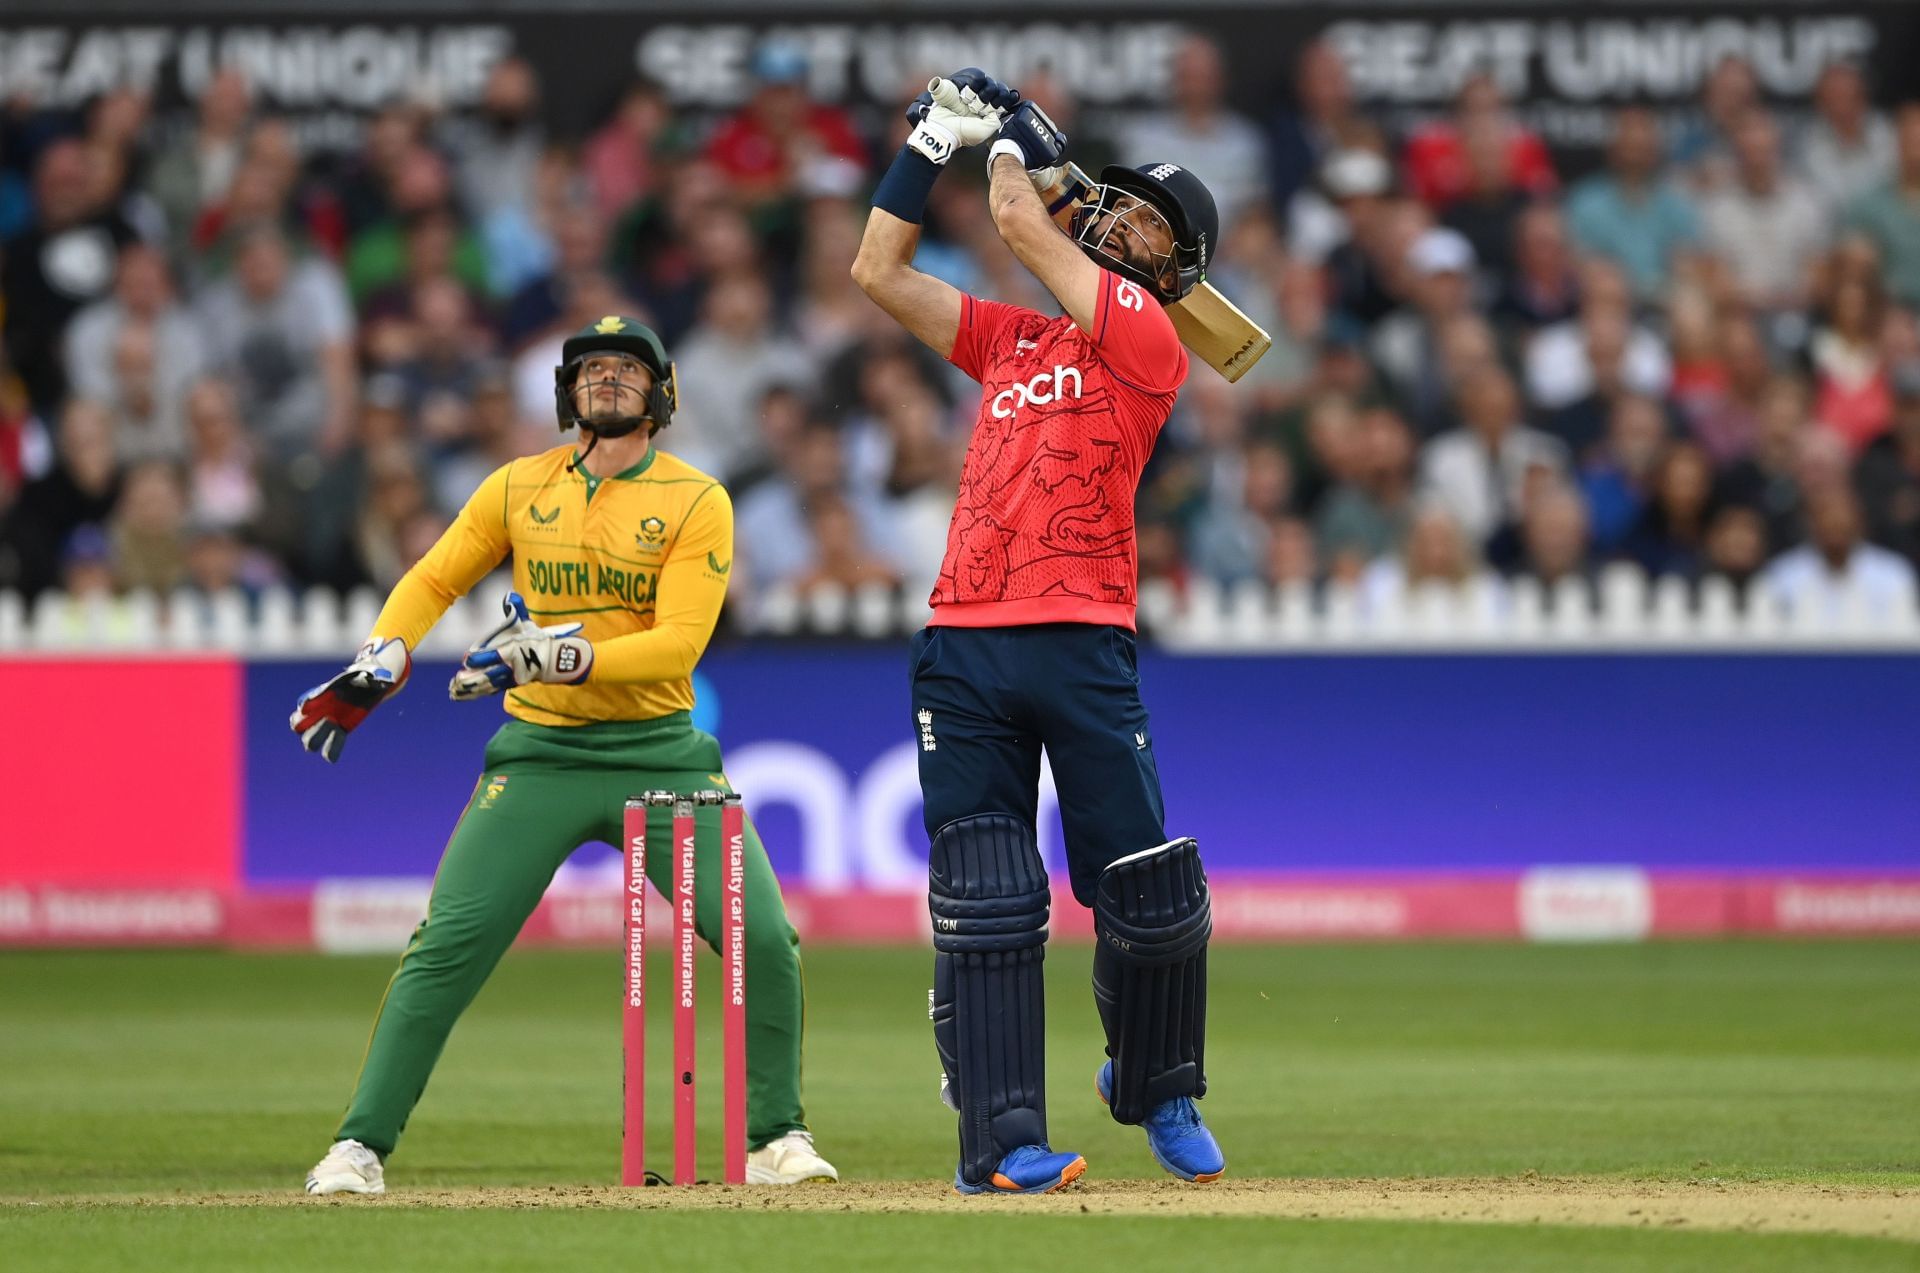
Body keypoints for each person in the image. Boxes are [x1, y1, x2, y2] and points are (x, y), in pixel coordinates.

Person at [291, 316, 837, 1195]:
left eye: (627, 369)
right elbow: (434, 577)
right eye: (591, 370)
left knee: (762, 938)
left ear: (661, 394)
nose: (608, 381)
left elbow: (677, 646)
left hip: (663, 756)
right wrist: (382, 654)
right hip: (539, 754)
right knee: (448, 945)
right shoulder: (517, 486)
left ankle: (775, 1137)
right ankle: (358, 1147)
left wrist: (552, 654)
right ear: (564, 391)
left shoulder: (698, 498)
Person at [853, 71, 1224, 1194]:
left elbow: (1016, 217)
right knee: (988, 894)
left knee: (1145, 893)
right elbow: (878, 271)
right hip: (963, 643)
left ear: (1172, 270)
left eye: (1149, 224)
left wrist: (1007, 140)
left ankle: (1155, 1084)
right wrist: (929, 145)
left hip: (1082, 636)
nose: (1120, 221)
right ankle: (1001, 1140)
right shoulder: (1011, 342)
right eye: (1115, 203)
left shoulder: (1148, 340)